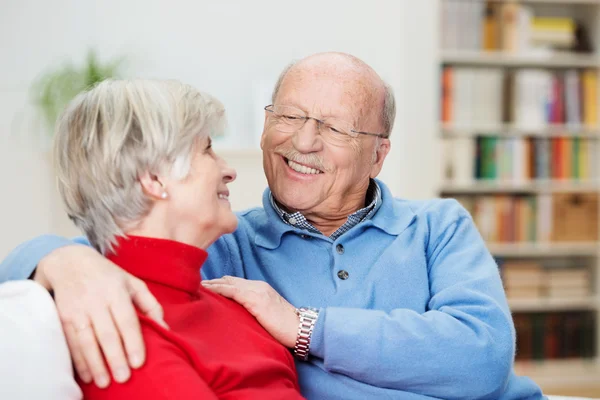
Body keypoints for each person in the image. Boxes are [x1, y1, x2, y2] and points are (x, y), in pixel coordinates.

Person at [0, 53, 545, 399]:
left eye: (333, 127)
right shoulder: (224, 241)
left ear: (378, 156)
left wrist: (304, 326)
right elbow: (125, 240)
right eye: (287, 116)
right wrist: (58, 259)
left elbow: (482, 355)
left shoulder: (438, 226)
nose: (301, 142)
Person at [2, 79, 304, 399]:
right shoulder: (113, 325)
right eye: (207, 150)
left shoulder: (236, 305)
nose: (229, 170)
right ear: (154, 178)